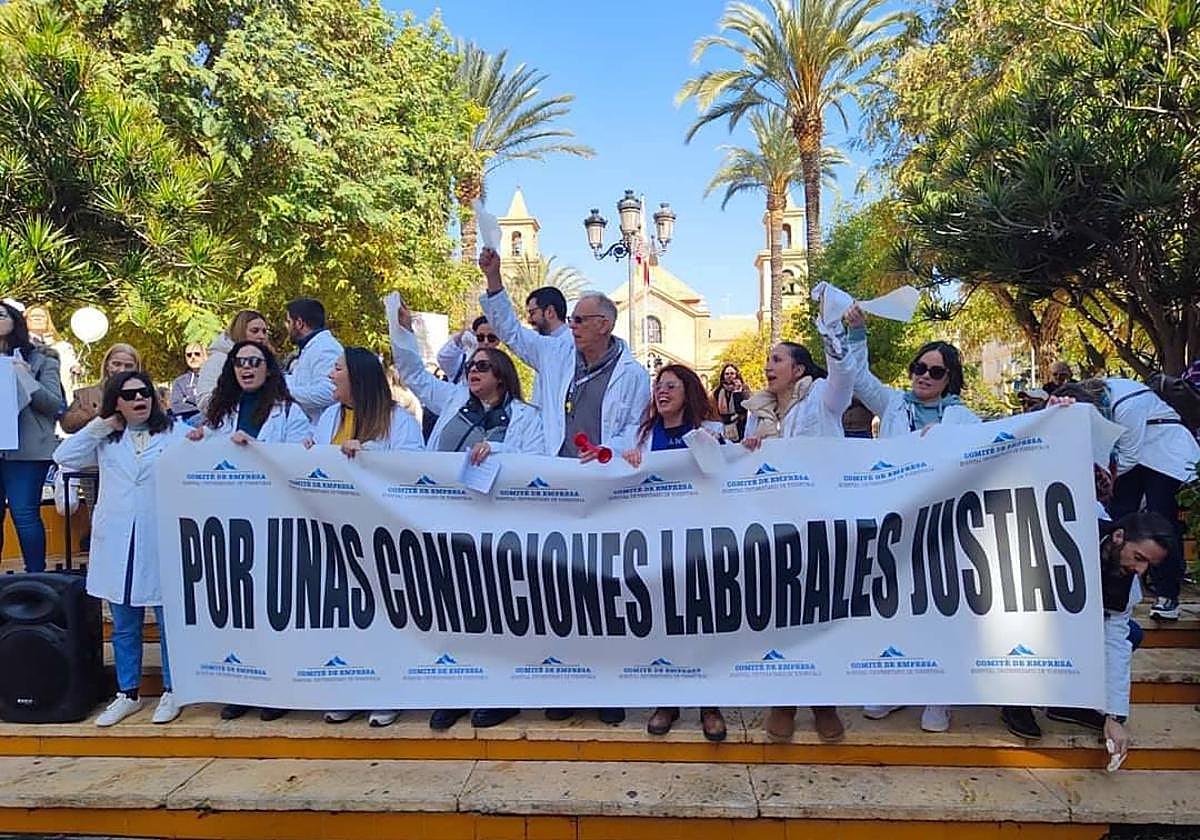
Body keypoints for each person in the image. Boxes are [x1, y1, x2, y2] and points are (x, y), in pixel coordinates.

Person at [480, 248, 648, 726]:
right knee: (549, 587)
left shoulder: (632, 375)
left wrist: (605, 452)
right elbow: (510, 333)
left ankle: (605, 683)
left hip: (602, 489)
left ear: (604, 325)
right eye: (571, 318)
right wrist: (494, 279)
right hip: (552, 486)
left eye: (579, 319)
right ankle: (559, 682)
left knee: (600, 588)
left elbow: (631, 430)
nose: (570, 325)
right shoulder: (555, 354)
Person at [390, 301, 545, 731]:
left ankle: (501, 694)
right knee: (453, 609)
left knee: (496, 611)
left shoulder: (525, 417)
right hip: (446, 522)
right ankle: (457, 689)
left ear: (501, 374)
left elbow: (538, 462)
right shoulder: (453, 399)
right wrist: (403, 331)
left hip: (497, 528)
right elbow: (416, 376)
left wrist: (496, 450)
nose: (472, 370)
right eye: (471, 364)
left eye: (482, 365)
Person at [845, 304, 981, 734]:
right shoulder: (892, 404)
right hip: (894, 527)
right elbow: (858, 377)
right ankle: (893, 686)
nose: (924, 375)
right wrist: (856, 333)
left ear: (950, 379)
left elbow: (992, 455)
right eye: (919, 367)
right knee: (893, 609)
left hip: (942, 530)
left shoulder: (966, 420)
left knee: (937, 608)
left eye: (935, 371)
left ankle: (938, 697)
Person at [52, 371, 185, 726]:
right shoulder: (106, 439)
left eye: (145, 392)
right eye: (129, 395)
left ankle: (174, 689)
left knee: (168, 620)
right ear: (117, 403)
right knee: (125, 622)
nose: (139, 399)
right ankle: (128, 693)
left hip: (160, 537)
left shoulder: (175, 433)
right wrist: (100, 424)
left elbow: (213, 453)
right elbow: (64, 453)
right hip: (118, 539)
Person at [739, 338, 854, 743]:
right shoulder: (757, 412)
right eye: (767, 359)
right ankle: (784, 700)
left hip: (820, 522)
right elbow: (744, 466)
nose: (768, 365)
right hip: (773, 524)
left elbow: (844, 377)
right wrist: (747, 448)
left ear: (799, 369)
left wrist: (838, 336)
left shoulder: (823, 396)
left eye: (776, 359)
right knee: (781, 613)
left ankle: (824, 701)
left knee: (821, 612)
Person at [189, 341, 309, 721]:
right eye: (240, 362)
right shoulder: (220, 412)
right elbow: (207, 454)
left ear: (269, 368)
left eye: (255, 362)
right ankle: (244, 686)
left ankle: (277, 688)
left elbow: (301, 459)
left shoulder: (288, 411)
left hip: (273, 519)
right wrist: (198, 441)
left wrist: (254, 447)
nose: (246, 368)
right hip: (231, 520)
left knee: (274, 608)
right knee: (240, 608)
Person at [309, 348, 424, 728]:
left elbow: (414, 469)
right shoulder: (329, 417)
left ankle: (387, 692)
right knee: (345, 614)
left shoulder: (397, 421)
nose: (331, 374)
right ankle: (350, 690)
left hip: (381, 536)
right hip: (335, 532)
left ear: (357, 377)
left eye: (337, 368)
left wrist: (370, 454)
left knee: (385, 616)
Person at [622, 364, 728, 741]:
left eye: (671, 386)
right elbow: (616, 469)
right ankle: (667, 700)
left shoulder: (710, 432)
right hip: (657, 541)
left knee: (701, 619)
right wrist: (628, 459)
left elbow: (723, 476)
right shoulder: (642, 434)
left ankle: (709, 703)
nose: (662, 392)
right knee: (664, 620)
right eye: (658, 386)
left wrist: (739, 449)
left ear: (688, 391)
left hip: (699, 542)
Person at [1051, 378, 1200, 621]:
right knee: (1116, 524)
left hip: (1165, 458)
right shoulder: (1104, 397)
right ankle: (1108, 592)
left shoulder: (1127, 404)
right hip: (1138, 460)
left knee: (1160, 526)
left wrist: (1096, 475)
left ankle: (1167, 596)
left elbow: (1127, 456)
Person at [476, 259, 580, 455]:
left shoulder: (558, 346)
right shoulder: (547, 348)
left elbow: (511, 331)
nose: (530, 320)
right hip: (545, 440)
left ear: (549, 312)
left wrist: (493, 277)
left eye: (533, 312)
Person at [0, 302, 64, 573]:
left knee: (24, 514)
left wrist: (24, 377)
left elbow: (54, 405)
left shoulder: (42, 359)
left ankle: (36, 580)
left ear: (15, 321)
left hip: (26, 450)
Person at [197, 310, 273, 412]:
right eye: (255, 331)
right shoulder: (218, 360)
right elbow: (204, 402)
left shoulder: (267, 361)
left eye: (264, 331)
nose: (261, 336)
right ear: (240, 331)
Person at [283, 298, 344, 424]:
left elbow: (329, 392)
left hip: (318, 430)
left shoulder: (325, 348)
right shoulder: (310, 347)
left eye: (289, 322)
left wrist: (284, 392)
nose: (287, 327)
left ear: (299, 323)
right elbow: (303, 382)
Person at [61, 344, 141, 434]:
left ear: (136, 369)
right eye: (116, 364)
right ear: (107, 365)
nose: (122, 370)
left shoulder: (147, 395)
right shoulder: (86, 395)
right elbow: (67, 426)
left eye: (128, 366)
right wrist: (91, 415)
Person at [25, 304, 80, 401]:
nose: (38, 318)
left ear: (47, 321)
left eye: (42, 316)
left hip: (59, 394)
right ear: (26, 320)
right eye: (33, 316)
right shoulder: (21, 344)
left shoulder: (63, 346)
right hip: (31, 394)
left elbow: (71, 362)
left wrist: (75, 367)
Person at [437, 316, 500, 385]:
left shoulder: (503, 365)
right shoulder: (463, 362)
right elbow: (444, 358)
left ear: (498, 340)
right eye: (480, 337)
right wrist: (460, 338)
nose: (486, 342)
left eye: (491, 338)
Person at [169, 343, 207, 423]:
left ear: (205, 355)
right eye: (189, 355)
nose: (193, 357)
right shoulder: (179, 382)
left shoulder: (215, 377)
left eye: (197, 354)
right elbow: (176, 406)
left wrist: (189, 400)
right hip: (189, 421)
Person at [713, 363, 749, 442]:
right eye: (727, 374)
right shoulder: (718, 391)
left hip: (740, 426)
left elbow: (743, 409)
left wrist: (737, 393)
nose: (729, 376)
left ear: (736, 375)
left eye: (732, 373)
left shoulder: (743, 389)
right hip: (723, 426)